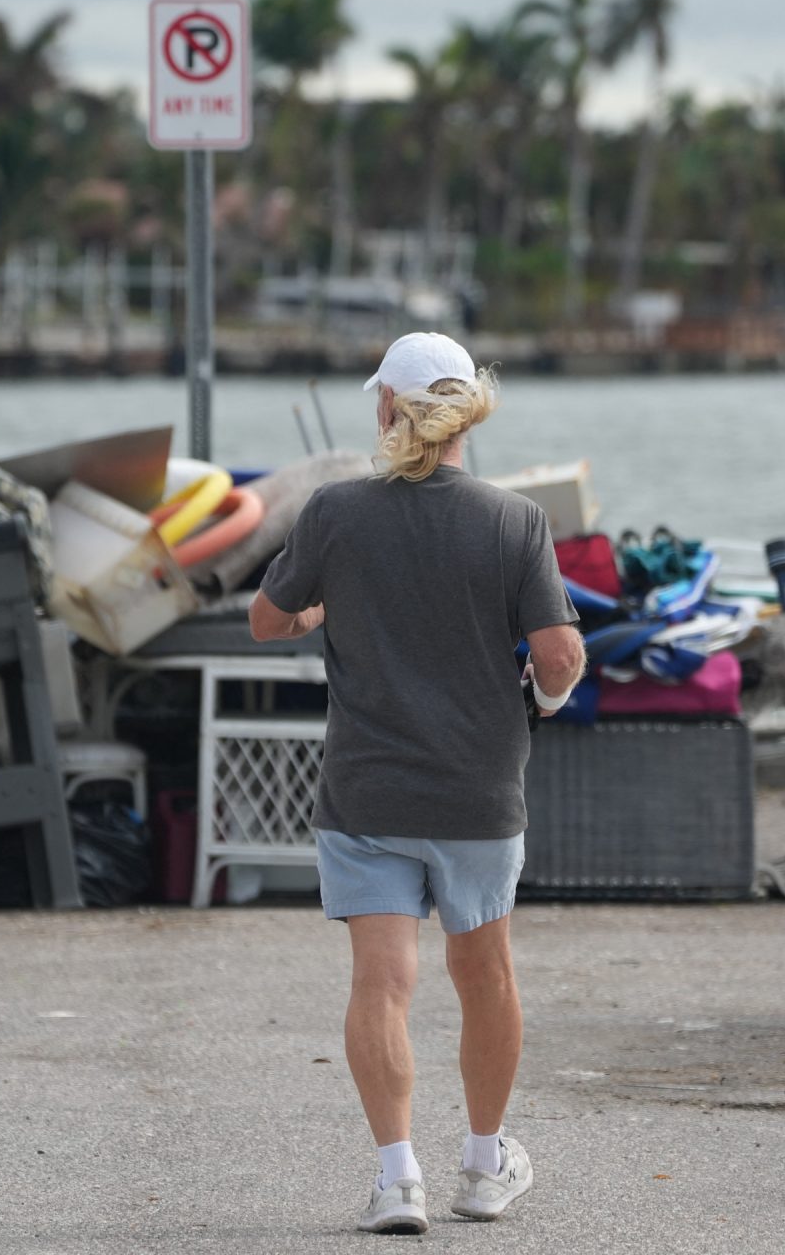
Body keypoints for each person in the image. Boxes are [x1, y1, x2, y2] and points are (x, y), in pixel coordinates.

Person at [250, 332, 585, 1233]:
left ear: (390, 409)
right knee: (486, 977)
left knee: (381, 986)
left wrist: (318, 611)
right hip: (478, 791)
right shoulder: (515, 522)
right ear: (466, 411)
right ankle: (482, 1166)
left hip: (366, 793)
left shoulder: (334, 513)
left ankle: (399, 1179)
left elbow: (265, 619)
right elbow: (557, 655)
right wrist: (549, 696)